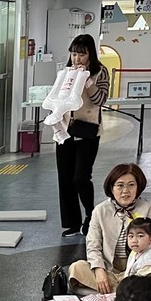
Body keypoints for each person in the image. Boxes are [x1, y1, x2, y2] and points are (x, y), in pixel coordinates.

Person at [66, 164, 151, 294]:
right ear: (111, 188)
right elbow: (93, 244)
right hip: (108, 268)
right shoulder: (100, 210)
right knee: (76, 268)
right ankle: (123, 293)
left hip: (137, 268)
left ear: (138, 187)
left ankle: (110, 292)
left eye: (131, 185)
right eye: (120, 185)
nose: (126, 191)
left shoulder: (147, 207)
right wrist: (99, 270)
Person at [55, 33, 110, 236]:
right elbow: (58, 96)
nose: (76, 59)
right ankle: (72, 222)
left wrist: (87, 81)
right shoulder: (66, 71)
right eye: (74, 54)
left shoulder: (99, 72)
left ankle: (90, 215)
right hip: (65, 130)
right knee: (65, 178)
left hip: (87, 130)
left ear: (90, 55)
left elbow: (100, 100)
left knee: (80, 178)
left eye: (81, 54)